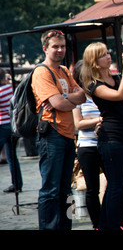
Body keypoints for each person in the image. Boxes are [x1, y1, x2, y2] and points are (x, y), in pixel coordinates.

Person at [81, 42, 123, 230]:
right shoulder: (94, 85)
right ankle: (113, 225)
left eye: (108, 53)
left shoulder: (116, 77)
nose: (108, 56)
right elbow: (120, 96)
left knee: (116, 185)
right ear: (94, 62)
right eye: (103, 55)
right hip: (111, 138)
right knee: (116, 186)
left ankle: (106, 224)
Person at [31, 30, 86, 230]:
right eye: (55, 46)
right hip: (51, 135)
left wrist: (63, 98)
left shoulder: (64, 70)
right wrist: (63, 99)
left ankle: (65, 227)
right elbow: (59, 104)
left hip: (68, 134)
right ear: (45, 48)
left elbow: (82, 96)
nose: (60, 50)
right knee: (50, 190)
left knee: (66, 190)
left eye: (62, 46)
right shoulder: (42, 72)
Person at [72, 60, 103, 229]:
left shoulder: (100, 91)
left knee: (115, 185)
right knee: (92, 189)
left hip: (106, 144)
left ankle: (114, 221)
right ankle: (97, 224)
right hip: (87, 146)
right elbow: (78, 124)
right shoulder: (79, 96)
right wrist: (99, 120)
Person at [0, 68, 23, 193]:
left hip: (2, 124)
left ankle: (16, 183)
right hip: (13, 124)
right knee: (11, 156)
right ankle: (17, 183)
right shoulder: (12, 89)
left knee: (10, 156)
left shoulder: (1, 92)